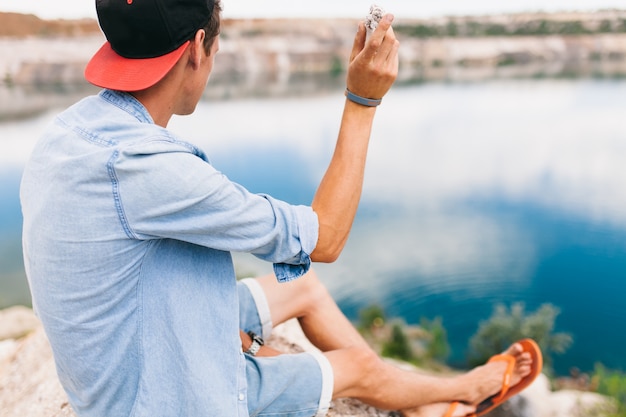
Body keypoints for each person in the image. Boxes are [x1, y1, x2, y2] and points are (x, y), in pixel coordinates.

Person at [20, 0, 538, 416]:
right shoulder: (149, 168)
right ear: (198, 47)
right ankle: (465, 390)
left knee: (305, 289)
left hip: (130, 340)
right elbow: (325, 237)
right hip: (158, 397)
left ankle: (419, 406)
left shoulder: (68, 133)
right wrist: (363, 101)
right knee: (356, 364)